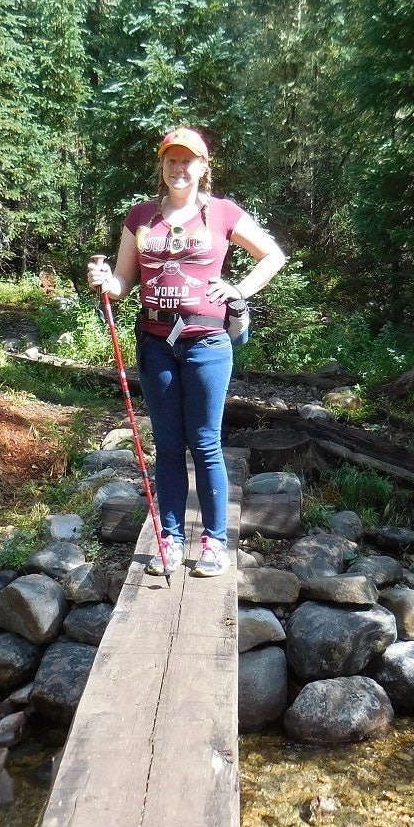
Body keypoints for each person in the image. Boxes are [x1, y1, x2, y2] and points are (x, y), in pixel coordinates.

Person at [87, 127, 286, 577]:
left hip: (207, 341)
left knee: (206, 442)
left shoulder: (223, 213)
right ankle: (171, 538)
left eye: (187, 160)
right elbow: (123, 282)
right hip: (156, 342)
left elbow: (272, 256)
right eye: (171, 160)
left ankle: (214, 542)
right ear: (162, 165)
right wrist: (106, 283)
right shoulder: (141, 216)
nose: (179, 168)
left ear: (203, 167)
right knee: (168, 443)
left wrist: (239, 289)